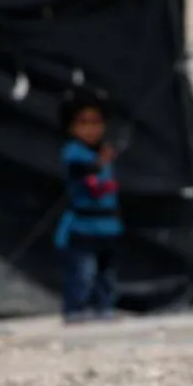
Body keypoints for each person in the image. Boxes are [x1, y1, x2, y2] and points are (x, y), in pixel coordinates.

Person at [56, 89, 122, 323]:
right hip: (83, 228)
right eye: (83, 123)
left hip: (107, 227)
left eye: (96, 122)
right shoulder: (75, 153)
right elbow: (81, 171)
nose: (91, 128)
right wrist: (100, 161)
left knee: (106, 274)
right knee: (82, 272)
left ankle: (104, 308)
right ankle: (76, 310)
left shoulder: (103, 153)